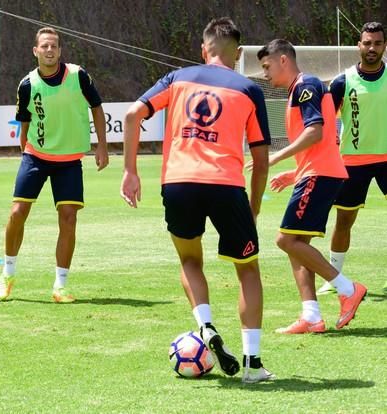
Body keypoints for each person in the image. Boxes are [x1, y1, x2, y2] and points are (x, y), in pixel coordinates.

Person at [121, 17, 273, 383]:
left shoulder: (177, 78)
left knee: (190, 259)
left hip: (179, 182)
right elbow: (262, 155)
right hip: (226, 184)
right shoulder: (248, 89)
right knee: (248, 269)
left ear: (203, 50)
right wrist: (254, 203)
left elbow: (131, 114)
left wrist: (130, 171)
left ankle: (205, 325)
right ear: (238, 54)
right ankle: (252, 364)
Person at [255, 39, 367, 334]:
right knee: (296, 244)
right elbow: (323, 143)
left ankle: (347, 289)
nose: (265, 74)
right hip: (316, 173)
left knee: (285, 241)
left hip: (320, 175)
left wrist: (274, 158)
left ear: (283, 60)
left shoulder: (307, 86)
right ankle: (311, 316)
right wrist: (294, 173)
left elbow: (315, 132)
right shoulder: (301, 89)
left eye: (267, 67)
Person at [0, 27, 109, 303]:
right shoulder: (27, 84)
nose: (49, 50)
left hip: (69, 161)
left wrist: (102, 147)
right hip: (35, 156)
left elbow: (97, 107)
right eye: (44, 46)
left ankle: (61, 285)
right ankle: (7, 274)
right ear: (35, 51)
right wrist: (26, 155)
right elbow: (24, 122)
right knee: (17, 212)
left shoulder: (78, 76)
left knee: (69, 218)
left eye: (53, 46)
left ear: (59, 50)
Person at [317, 22, 387, 295]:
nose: (372, 48)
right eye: (367, 43)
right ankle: (334, 277)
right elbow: (324, 122)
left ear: (384, 46)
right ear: (359, 45)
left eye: (377, 43)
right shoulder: (342, 81)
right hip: (352, 162)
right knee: (344, 221)